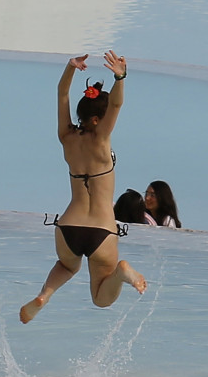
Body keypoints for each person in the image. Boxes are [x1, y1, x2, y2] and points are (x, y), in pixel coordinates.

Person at [19, 52, 147, 324]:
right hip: (102, 229)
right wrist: (120, 77)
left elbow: (62, 94)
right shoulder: (101, 141)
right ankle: (123, 272)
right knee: (102, 299)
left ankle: (44, 294)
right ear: (99, 120)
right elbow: (116, 104)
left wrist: (70, 68)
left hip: (68, 226)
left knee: (67, 265)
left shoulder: (66, 137)